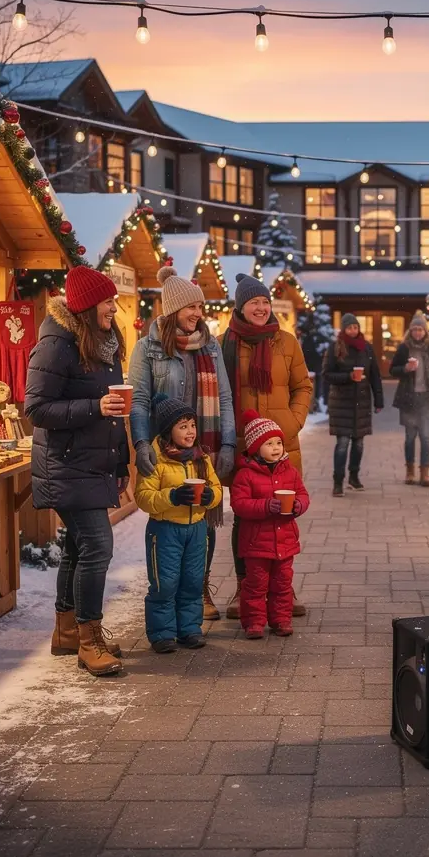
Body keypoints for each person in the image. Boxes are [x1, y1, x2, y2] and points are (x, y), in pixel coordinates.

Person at [25, 265, 130, 677]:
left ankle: (67, 632)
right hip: (65, 465)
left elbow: (114, 412)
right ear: (87, 306)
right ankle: (89, 641)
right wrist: (94, 407)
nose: (113, 307)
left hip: (92, 464)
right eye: (107, 301)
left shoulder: (102, 342)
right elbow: (35, 409)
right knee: (98, 547)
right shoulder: (56, 345)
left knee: (77, 547)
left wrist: (120, 462)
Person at [128, 265, 235, 624]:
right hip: (165, 450)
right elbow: (139, 400)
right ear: (173, 310)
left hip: (204, 446)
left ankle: (199, 588)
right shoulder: (148, 348)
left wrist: (229, 444)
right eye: (191, 308)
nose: (198, 315)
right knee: (169, 521)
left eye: (200, 308)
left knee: (203, 516)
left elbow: (223, 397)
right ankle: (166, 594)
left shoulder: (211, 346)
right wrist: (142, 443)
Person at [220, 273, 314, 619]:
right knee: (246, 518)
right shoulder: (224, 343)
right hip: (244, 447)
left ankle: (282, 592)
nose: (260, 308)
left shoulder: (286, 343)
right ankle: (247, 592)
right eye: (253, 302)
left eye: (264, 302)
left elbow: (302, 387)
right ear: (240, 307)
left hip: (280, 444)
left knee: (284, 515)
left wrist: (291, 423)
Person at [135, 394, 222, 653]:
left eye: (192, 425)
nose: (190, 431)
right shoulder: (156, 459)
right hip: (165, 531)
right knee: (165, 583)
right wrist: (172, 496)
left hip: (196, 529)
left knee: (193, 581)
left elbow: (216, 488)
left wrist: (209, 497)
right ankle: (162, 633)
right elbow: (143, 497)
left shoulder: (201, 458)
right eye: (182, 426)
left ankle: (190, 629)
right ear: (167, 430)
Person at [231, 410, 310, 639]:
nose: (276, 448)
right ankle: (254, 622)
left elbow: (303, 495)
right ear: (255, 448)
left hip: (284, 541)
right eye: (269, 443)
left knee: (282, 584)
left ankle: (281, 619)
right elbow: (240, 504)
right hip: (257, 543)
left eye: (278, 442)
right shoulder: (246, 475)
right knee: (255, 584)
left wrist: (298, 505)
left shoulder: (290, 472)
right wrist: (266, 506)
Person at [324, 313, 384, 497]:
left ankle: (354, 477)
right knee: (342, 443)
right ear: (344, 329)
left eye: (355, 327)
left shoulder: (366, 348)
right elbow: (327, 374)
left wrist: (379, 400)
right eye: (349, 327)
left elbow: (374, 375)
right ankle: (337, 481)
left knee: (358, 444)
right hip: (341, 402)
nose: (353, 330)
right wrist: (349, 377)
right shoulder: (335, 347)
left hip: (361, 402)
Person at [390, 312, 429, 487]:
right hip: (408, 398)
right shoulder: (404, 348)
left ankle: (425, 473)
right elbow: (393, 370)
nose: (417, 333)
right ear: (410, 331)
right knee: (409, 437)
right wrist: (405, 368)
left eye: (420, 329)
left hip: (427, 399)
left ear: (425, 331)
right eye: (414, 329)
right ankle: (410, 472)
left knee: (425, 437)